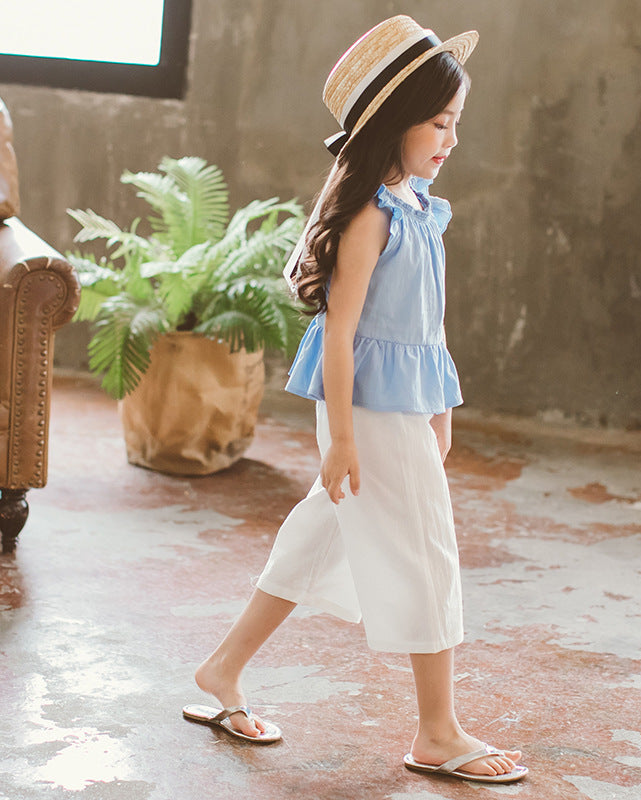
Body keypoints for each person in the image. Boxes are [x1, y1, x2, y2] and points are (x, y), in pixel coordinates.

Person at [183, 15, 527, 785]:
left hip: (401, 406)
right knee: (428, 552)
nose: (451, 139)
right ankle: (437, 731)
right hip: (365, 410)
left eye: (456, 123)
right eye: (439, 123)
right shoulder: (371, 213)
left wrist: (441, 410)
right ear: (391, 121)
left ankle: (221, 670)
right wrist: (341, 440)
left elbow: (425, 326)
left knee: (319, 537)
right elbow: (341, 337)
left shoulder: (419, 205)